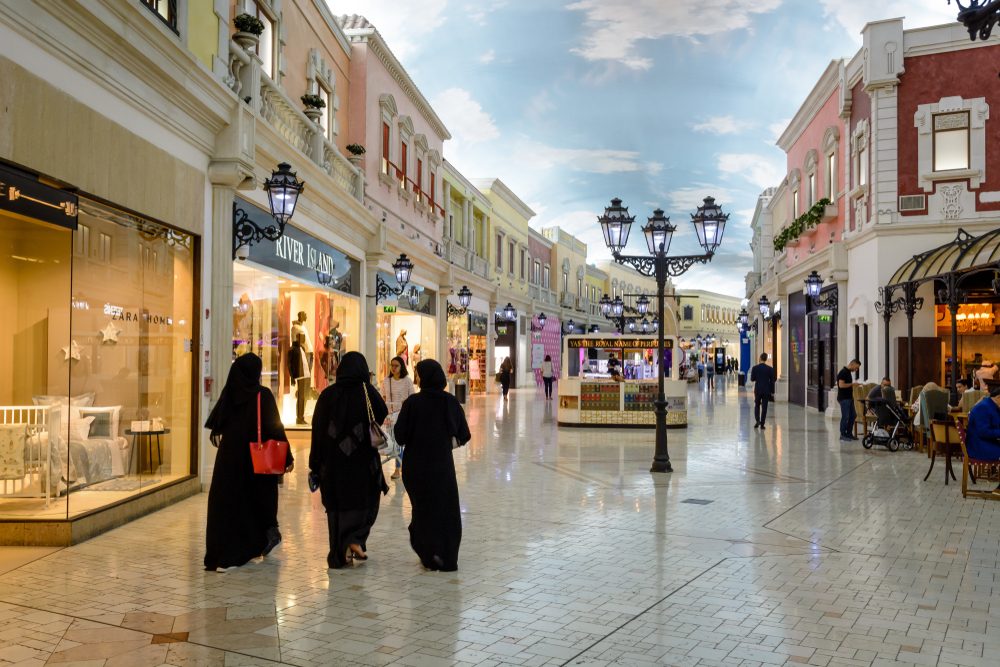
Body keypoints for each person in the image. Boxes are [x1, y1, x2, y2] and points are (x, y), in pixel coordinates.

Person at [204, 353, 293, 572]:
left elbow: (218, 424)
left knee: (228, 505)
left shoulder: (230, 393)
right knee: (253, 503)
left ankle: (223, 553)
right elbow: (274, 427)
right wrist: (287, 457)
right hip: (255, 461)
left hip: (229, 461)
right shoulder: (262, 395)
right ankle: (248, 546)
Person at [309, 352, 389, 569]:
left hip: (332, 465)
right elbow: (381, 413)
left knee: (336, 507)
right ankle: (354, 538)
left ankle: (339, 552)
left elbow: (317, 430)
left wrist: (314, 464)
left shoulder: (327, 395)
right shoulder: (366, 392)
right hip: (362, 462)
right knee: (366, 501)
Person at [393, 359, 471, 571]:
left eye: (418, 374)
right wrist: (445, 444)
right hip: (441, 468)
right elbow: (464, 435)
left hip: (415, 469)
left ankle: (428, 553)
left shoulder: (412, 404)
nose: (416, 378)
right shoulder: (449, 402)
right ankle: (445, 554)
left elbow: (399, 437)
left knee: (423, 510)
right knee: (444, 509)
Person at [381, 356, 415, 480]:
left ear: (401, 367)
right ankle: (397, 466)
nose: (393, 368)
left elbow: (412, 398)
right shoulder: (386, 380)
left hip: (402, 415)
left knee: (400, 443)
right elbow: (383, 397)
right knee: (392, 441)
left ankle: (398, 468)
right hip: (390, 416)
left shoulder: (407, 381)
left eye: (396, 365)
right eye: (392, 365)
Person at [965, 385, 1000, 466]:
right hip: (979, 446)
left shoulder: (992, 405)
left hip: (988, 442)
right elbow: (983, 432)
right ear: (998, 397)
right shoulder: (984, 407)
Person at [837, 359, 862, 442]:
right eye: (856, 367)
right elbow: (841, 385)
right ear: (852, 364)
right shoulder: (843, 372)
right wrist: (852, 384)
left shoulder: (848, 373)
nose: (856, 370)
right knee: (845, 416)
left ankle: (849, 434)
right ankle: (842, 435)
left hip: (849, 398)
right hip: (844, 398)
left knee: (853, 415)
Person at [750, 352, 775, 429]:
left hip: (758, 390)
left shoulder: (755, 368)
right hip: (766, 390)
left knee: (757, 405)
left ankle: (757, 420)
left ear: (760, 358)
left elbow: (752, 379)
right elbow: (772, 381)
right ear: (766, 359)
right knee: (764, 407)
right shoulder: (770, 369)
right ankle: (762, 424)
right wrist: (772, 391)